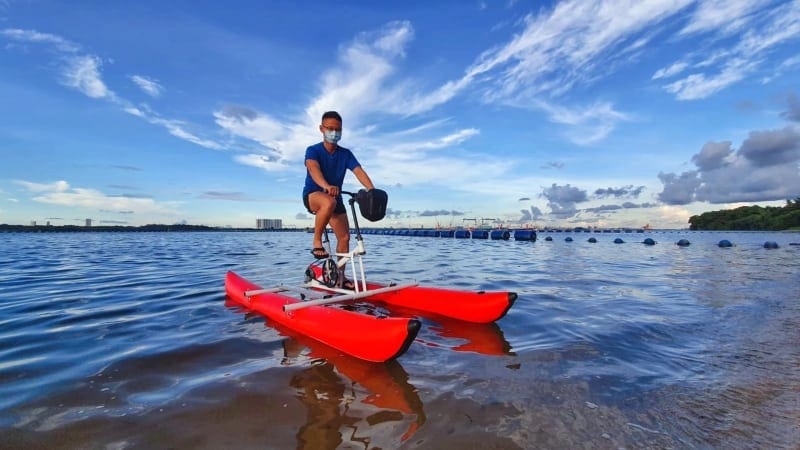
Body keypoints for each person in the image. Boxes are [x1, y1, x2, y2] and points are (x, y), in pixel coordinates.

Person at [303, 111, 375, 287]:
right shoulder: (313, 150)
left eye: (338, 129)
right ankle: (317, 241)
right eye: (330, 129)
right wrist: (326, 186)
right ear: (322, 129)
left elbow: (358, 171)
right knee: (328, 202)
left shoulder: (345, 154)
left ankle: (340, 278)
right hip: (314, 194)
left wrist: (372, 190)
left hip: (336, 198)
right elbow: (314, 170)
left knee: (344, 238)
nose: (334, 133)